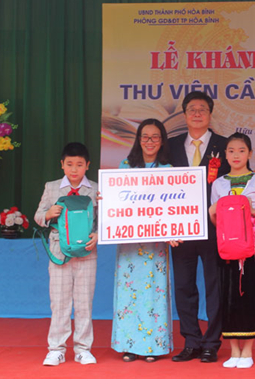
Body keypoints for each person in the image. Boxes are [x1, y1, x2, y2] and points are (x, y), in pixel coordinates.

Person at [168, 91, 255, 363]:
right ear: (184, 114)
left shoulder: (225, 144)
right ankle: (190, 341)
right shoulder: (171, 145)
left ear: (210, 115)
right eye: (191, 109)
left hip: (218, 229)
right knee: (184, 287)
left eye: (202, 109)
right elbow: (157, 180)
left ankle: (212, 342)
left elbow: (249, 178)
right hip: (182, 227)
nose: (197, 113)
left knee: (215, 287)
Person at [208, 132, 255, 369]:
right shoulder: (219, 183)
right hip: (227, 248)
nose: (236, 155)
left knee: (248, 296)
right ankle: (233, 351)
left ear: (250, 153)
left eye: (241, 150)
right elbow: (215, 220)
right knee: (228, 298)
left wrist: (246, 209)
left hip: (252, 248)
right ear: (225, 154)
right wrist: (217, 211)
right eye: (231, 151)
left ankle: (247, 351)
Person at [110, 118, 174, 363]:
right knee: (129, 292)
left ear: (162, 140)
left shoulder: (168, 170)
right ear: (138, 139)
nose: (150, 142)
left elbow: (175, 208)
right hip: (129, 245)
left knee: (154, 294)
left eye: (155, 137)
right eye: (145, 136)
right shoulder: (125, 167)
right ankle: (129, 345)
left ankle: (153, 347)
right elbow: (117, 203)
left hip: (156, 246)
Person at [34, 142, 99, 366]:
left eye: (79, 164)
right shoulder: (51, 188)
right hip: (59, 249)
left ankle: (83, 348)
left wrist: (98, 235)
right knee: (59, 301)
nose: (74, 169)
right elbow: (38, 216)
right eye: (69, 164)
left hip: (87, 251)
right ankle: (56, 349)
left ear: (87, 166)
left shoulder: (96, 189)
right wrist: (48, 214)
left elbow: (106, 219)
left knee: (84, 302)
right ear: (62, 165)